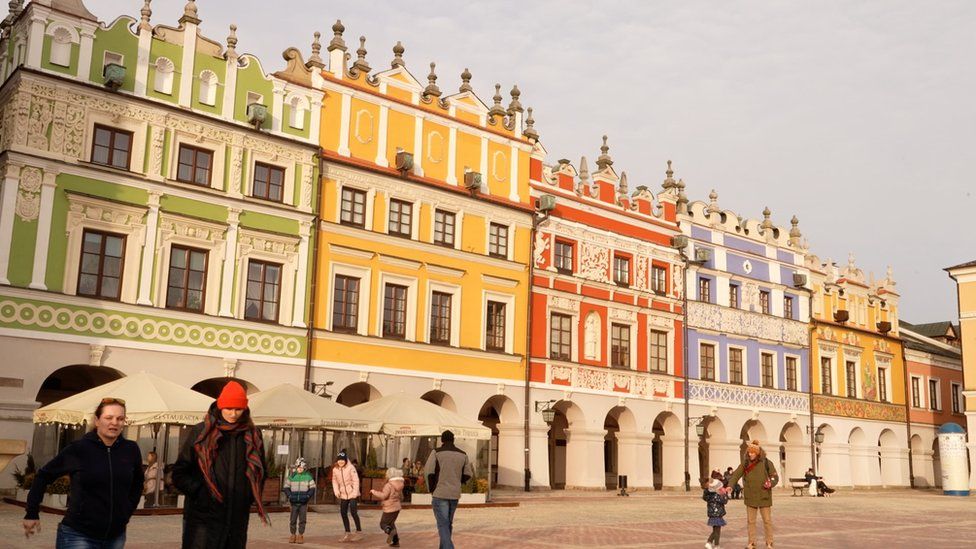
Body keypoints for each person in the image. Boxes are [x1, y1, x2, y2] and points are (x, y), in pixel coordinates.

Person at [22, 397, 144, 548]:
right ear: (97, 420)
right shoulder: (78, 449)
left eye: (120, 418)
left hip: (116, 536)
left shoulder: (131, 449)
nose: (114, 422)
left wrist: (126, 512)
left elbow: (138, 483)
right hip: (77, 535)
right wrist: (32, 512)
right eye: (108, 417)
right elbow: (43, 476)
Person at [172, 380, 267, 549]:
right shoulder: (202, 431)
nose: (233, 414)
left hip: (236, 518)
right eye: (229, 408)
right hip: (203, 518)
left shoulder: (253, 435)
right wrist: (200, 492)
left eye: (238, 409)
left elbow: (261, 472)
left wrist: (248, 497)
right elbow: (179, 473)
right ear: (220, 406)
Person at [425, 430, 473, 549]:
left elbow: (429, 472)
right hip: (454, 493)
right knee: (448, 525)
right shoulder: (463, 454)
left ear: (442, 440)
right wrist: (458, 482)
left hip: (440, 492)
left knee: (442, 525)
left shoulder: (436, 452)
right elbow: (468, 474)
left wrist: (431, 489)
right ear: (453, 439)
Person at [729, 439, 779, 549]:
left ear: (758, 453)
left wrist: (770, 483)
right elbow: (736, 475)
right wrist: (730, 486)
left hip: (764, 496)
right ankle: (752, 543)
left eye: (752, 452)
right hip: (750, 496)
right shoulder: (745, 463)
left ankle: (769, 542)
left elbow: (774, 477)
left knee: (767, 521)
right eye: (749, 452)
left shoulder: (766, 462)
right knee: (751, 521)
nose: (750, 454)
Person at [332, 449, 362, 542]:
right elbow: (334, 481)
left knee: (353, 512)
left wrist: (354, 493)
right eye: (339, 460)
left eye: (342, 460)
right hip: (343, 494)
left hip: (352, 493)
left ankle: (359, 532)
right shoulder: (335, 469)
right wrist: (336, 491)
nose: (341, 461)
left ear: (345, 460)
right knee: (343, 512)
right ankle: (347, 532)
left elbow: (356, 481)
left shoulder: (351, 468)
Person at [283, 457, 315, 544]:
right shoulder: (292, 476)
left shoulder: (308, 477)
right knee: (292, 519)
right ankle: (293, 534)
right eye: (298, 467)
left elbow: (312, 488)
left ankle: (300, 535)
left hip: (304, 503)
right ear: (296, 467)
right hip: (293, 502)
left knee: (302, 519)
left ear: (304, 468)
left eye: (301, 468)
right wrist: (289, 496)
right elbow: (286, 487)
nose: (299, 469)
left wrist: (308, 496)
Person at [370, 467, 405, 547]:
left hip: (389, 508)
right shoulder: (400, 484)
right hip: (397, 508)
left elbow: (383, 496)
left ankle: (389, 532)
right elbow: (401, 497)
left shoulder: (389, 485)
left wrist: (373, 492)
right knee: (391, 524)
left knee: (383, 524)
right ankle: (395, 542)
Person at [703, 472, 730, 549]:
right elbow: (725, 501)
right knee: (717, 530)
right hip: (717, 514)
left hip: (712, 514)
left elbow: (705, 497)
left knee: (716, 530)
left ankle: (714, 544)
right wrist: (725, 494)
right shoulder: (718, 495)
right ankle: (711, 543)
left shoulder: (709, 494)